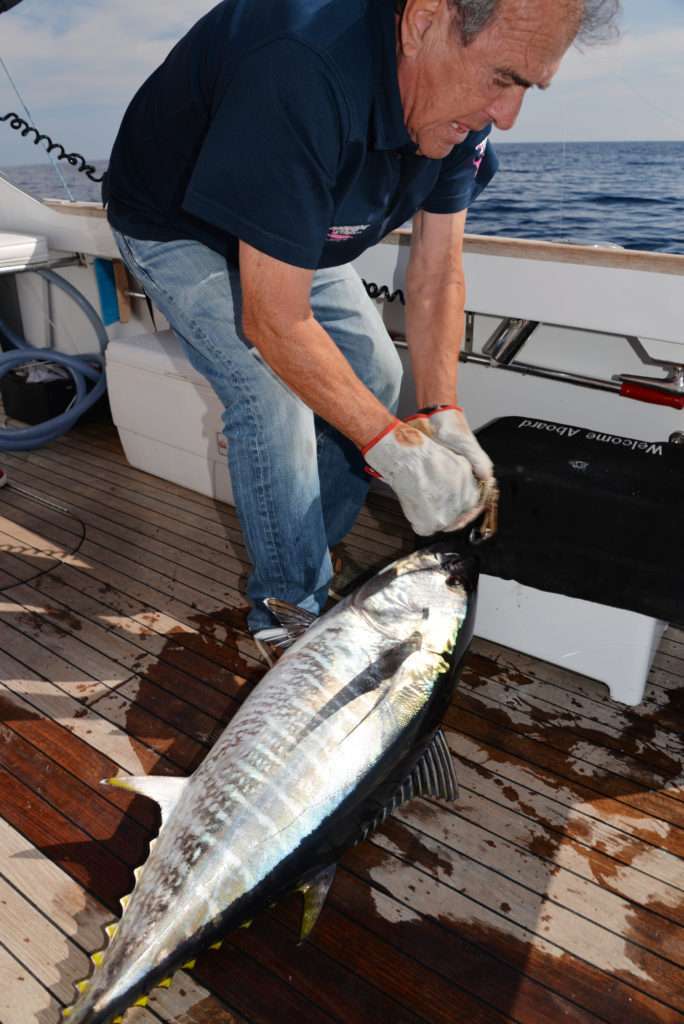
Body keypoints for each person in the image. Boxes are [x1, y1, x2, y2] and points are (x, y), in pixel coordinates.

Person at [103, 0, 619, 661]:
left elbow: (436, 273)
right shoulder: (300, 66)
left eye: (527, 87)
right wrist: (394, 450)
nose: (509, 115)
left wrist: (440, 414)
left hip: (293, 221)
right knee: (272, 397)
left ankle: (311, 544)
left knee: (377, 373)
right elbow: (273, 319)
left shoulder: (464, 103)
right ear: (422, 21)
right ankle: (288, 612)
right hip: (177, 224)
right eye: (501, 78)